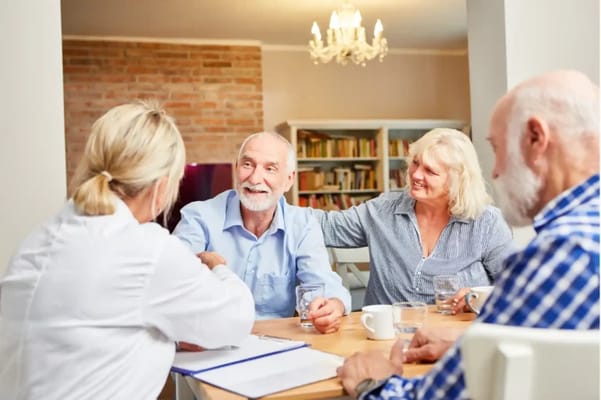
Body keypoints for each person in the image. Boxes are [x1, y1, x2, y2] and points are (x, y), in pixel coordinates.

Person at [336, 69, 600, 399]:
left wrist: (372, 383)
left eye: (498, 148)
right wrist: (465, 344)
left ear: (536, 138)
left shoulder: (563, 253)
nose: (496, 170)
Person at [0, 102, 255, 399]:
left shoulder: (39, 237)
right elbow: (235, 321)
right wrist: (219, 267)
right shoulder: (147, 250)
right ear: (161, 187)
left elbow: (97, 331)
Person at [311, 128, 514, 307]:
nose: (416, 175)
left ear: (456, 181)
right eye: (415, 163)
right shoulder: (383, 210)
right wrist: (279, 200)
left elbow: (515, 286)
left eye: (430, 171)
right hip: (386, 338)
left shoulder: (487, 223)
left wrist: (479, 296)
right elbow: (325, 226)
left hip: (452, 339)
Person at [173, 131, 351, 333]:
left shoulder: (303, 226)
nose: (256, 178)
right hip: (208, 341)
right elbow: (172, 285)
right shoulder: (199, 217)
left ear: (289, 180)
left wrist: (332, 306)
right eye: (248, 165)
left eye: (270, 169)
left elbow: (323, 284)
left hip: (275, 344)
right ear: (237, 168)